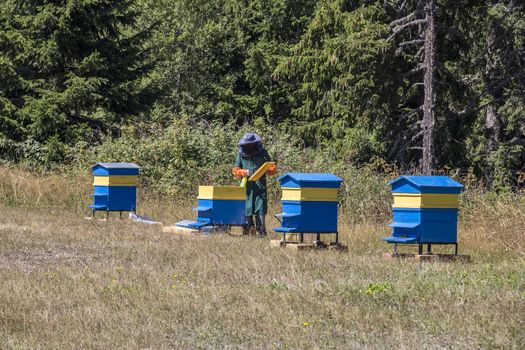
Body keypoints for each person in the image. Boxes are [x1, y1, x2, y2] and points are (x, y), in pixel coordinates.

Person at [232, 133, 276, 236]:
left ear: (254, 143)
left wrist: (270, 170)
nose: (247, 146)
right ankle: (247, 229)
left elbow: (271, 166)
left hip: (260, 185)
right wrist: (242, 172)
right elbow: (235, 169)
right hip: (247, 186)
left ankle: (261, 231)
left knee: (260, 207)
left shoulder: (263, 152)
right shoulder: (241, 154)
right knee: (247, 207)